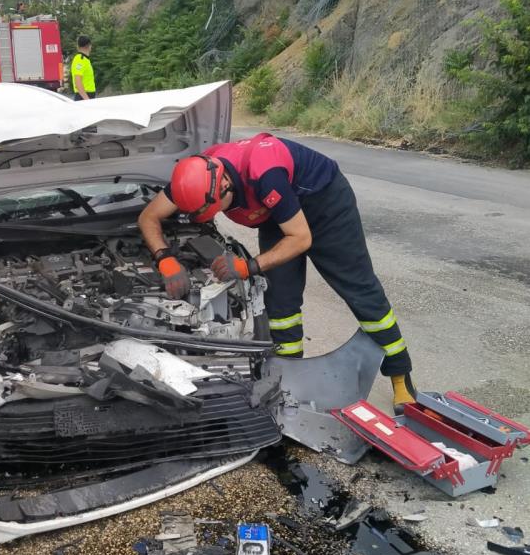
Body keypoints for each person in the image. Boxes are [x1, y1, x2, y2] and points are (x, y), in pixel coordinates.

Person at [137, 132, 416, 413]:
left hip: (324, 204)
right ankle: (288, 376)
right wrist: (165, 259)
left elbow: (301, 238)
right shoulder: (194, 178)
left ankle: (400, 375)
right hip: (273, 214)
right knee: (280, 302)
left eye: (207, 212)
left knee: (359, 289)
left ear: (224, 184)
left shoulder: (264, 174)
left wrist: (249, 267)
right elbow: (149, 216)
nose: (205, 218)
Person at [71, 35, 95, 100]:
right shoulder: (80, 59)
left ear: (78, 46)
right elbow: (78, 81)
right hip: (83, 97)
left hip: (85, 96)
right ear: (89, 45)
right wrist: (87, 99)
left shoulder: (84, 59)